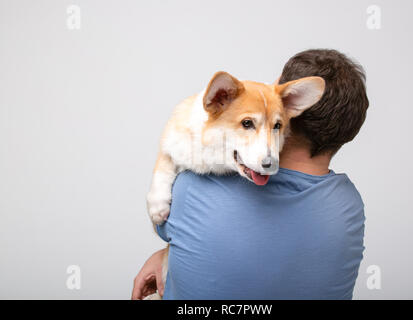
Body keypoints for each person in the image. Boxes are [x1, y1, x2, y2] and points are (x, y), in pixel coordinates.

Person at [132, 49, 369, 300]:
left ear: (291, 108)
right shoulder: (350, 207)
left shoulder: (193, 189)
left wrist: (166, 255)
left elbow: (178, 231)